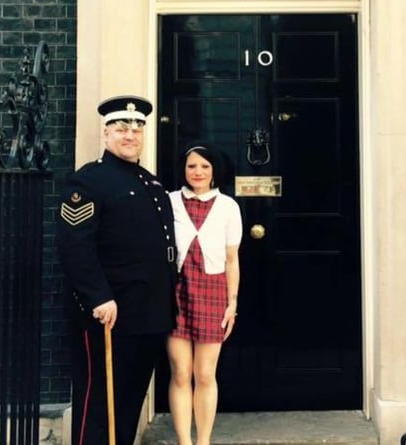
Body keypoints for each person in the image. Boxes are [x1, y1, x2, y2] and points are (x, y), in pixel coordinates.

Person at [56, 95, 177, 445]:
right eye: (122, 128)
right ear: (106, 132)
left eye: (137, 128)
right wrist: (98, 297)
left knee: (129, 401)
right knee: (99, 402)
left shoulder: (151, 184)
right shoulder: (89, 182)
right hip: (109, 313)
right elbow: (74, 247)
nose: (130, 135)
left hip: (149, 313)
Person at [167, 144, 243, 445]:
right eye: (191, 166)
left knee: (205, 373)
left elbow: (232, 259)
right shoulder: (169, 202)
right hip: (175, 292)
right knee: (181, 372)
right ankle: (184, 441)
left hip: (212, 292)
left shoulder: (228, 207)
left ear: (214, 172)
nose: (197, 172)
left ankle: (204, 441)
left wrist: (232, 303)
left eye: (204, 167)